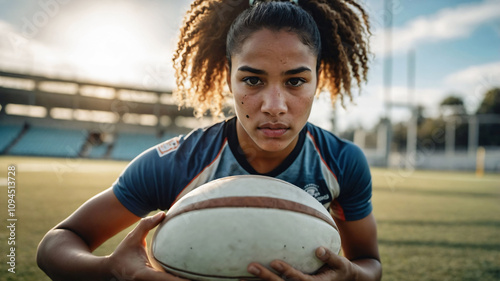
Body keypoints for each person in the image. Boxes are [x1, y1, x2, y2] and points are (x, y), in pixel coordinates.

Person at [37, 0, 381, 280]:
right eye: (252, 80)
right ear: (227, 77)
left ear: (317, 79)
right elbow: (55, 245)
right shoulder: (177, 163)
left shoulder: (341, 161)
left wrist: (349, 275)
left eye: (295, 82)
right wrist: (112, 269)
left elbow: (369, 263)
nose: (274, 106)